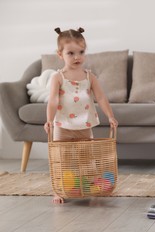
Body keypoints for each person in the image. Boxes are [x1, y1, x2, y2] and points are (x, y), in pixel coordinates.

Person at [44, 27, 118, 204]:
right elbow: (53, 100)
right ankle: (59, 189)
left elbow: (100, 97)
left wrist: (110, 116)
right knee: (62, 159)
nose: (77, 57)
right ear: (60, 54)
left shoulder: (89, 76)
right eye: (71, 53)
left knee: (86, 159)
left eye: (81, 52)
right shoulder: (58, 77)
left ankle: (87, 185)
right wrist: (49, 120)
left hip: (84, 125)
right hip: (62, 126)